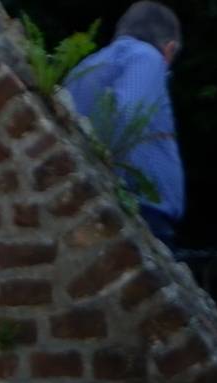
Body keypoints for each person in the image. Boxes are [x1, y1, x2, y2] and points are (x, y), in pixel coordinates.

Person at [61, 3, 186, 249]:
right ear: (169, 49)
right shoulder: (148, 57)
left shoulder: (86, 66)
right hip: (139, 212)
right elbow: (126, 117)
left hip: (90, 205)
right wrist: (115, 183)